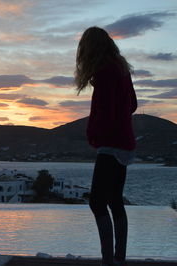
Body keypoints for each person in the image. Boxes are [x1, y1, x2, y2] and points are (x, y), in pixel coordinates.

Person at [75, 27, 137, 266]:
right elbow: (132, 103)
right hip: (124, 143)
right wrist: (118, 122)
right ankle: (118, 259)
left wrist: (97, 133)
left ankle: (108, 262)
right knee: (114, 199)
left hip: (111, 144)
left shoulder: (104, 72)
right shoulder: (121, 69)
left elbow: (103, 112)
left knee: (97, 202)